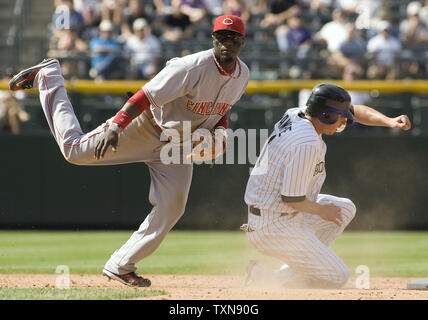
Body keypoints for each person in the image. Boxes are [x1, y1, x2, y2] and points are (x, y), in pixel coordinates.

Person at [9, 15, 249, 287]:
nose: (227, 42)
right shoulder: (190, 67)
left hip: (178, 145)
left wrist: (219, 132)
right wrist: (117, 124)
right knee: (73, 151)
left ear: (242, 42)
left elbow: (222, 111)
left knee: (173, 207)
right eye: (222, 37)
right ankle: (48, 76)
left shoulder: (243, 75)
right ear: (213, 39)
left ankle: (121, 265)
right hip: (145, 127)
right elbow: (145, 95)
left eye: (233, 38)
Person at [242, 83, 411, 289]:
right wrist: (322, 211)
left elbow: (355, 112)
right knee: (337, 276)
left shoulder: (298, 113)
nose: (344, 121)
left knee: (344, 209)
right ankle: (265, 277)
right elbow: (292, 198)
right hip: (273, 225)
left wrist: (390, 121)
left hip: (277, 212)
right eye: (339, 117)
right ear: (325, 115)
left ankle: (298, 268)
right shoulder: (306, 143)